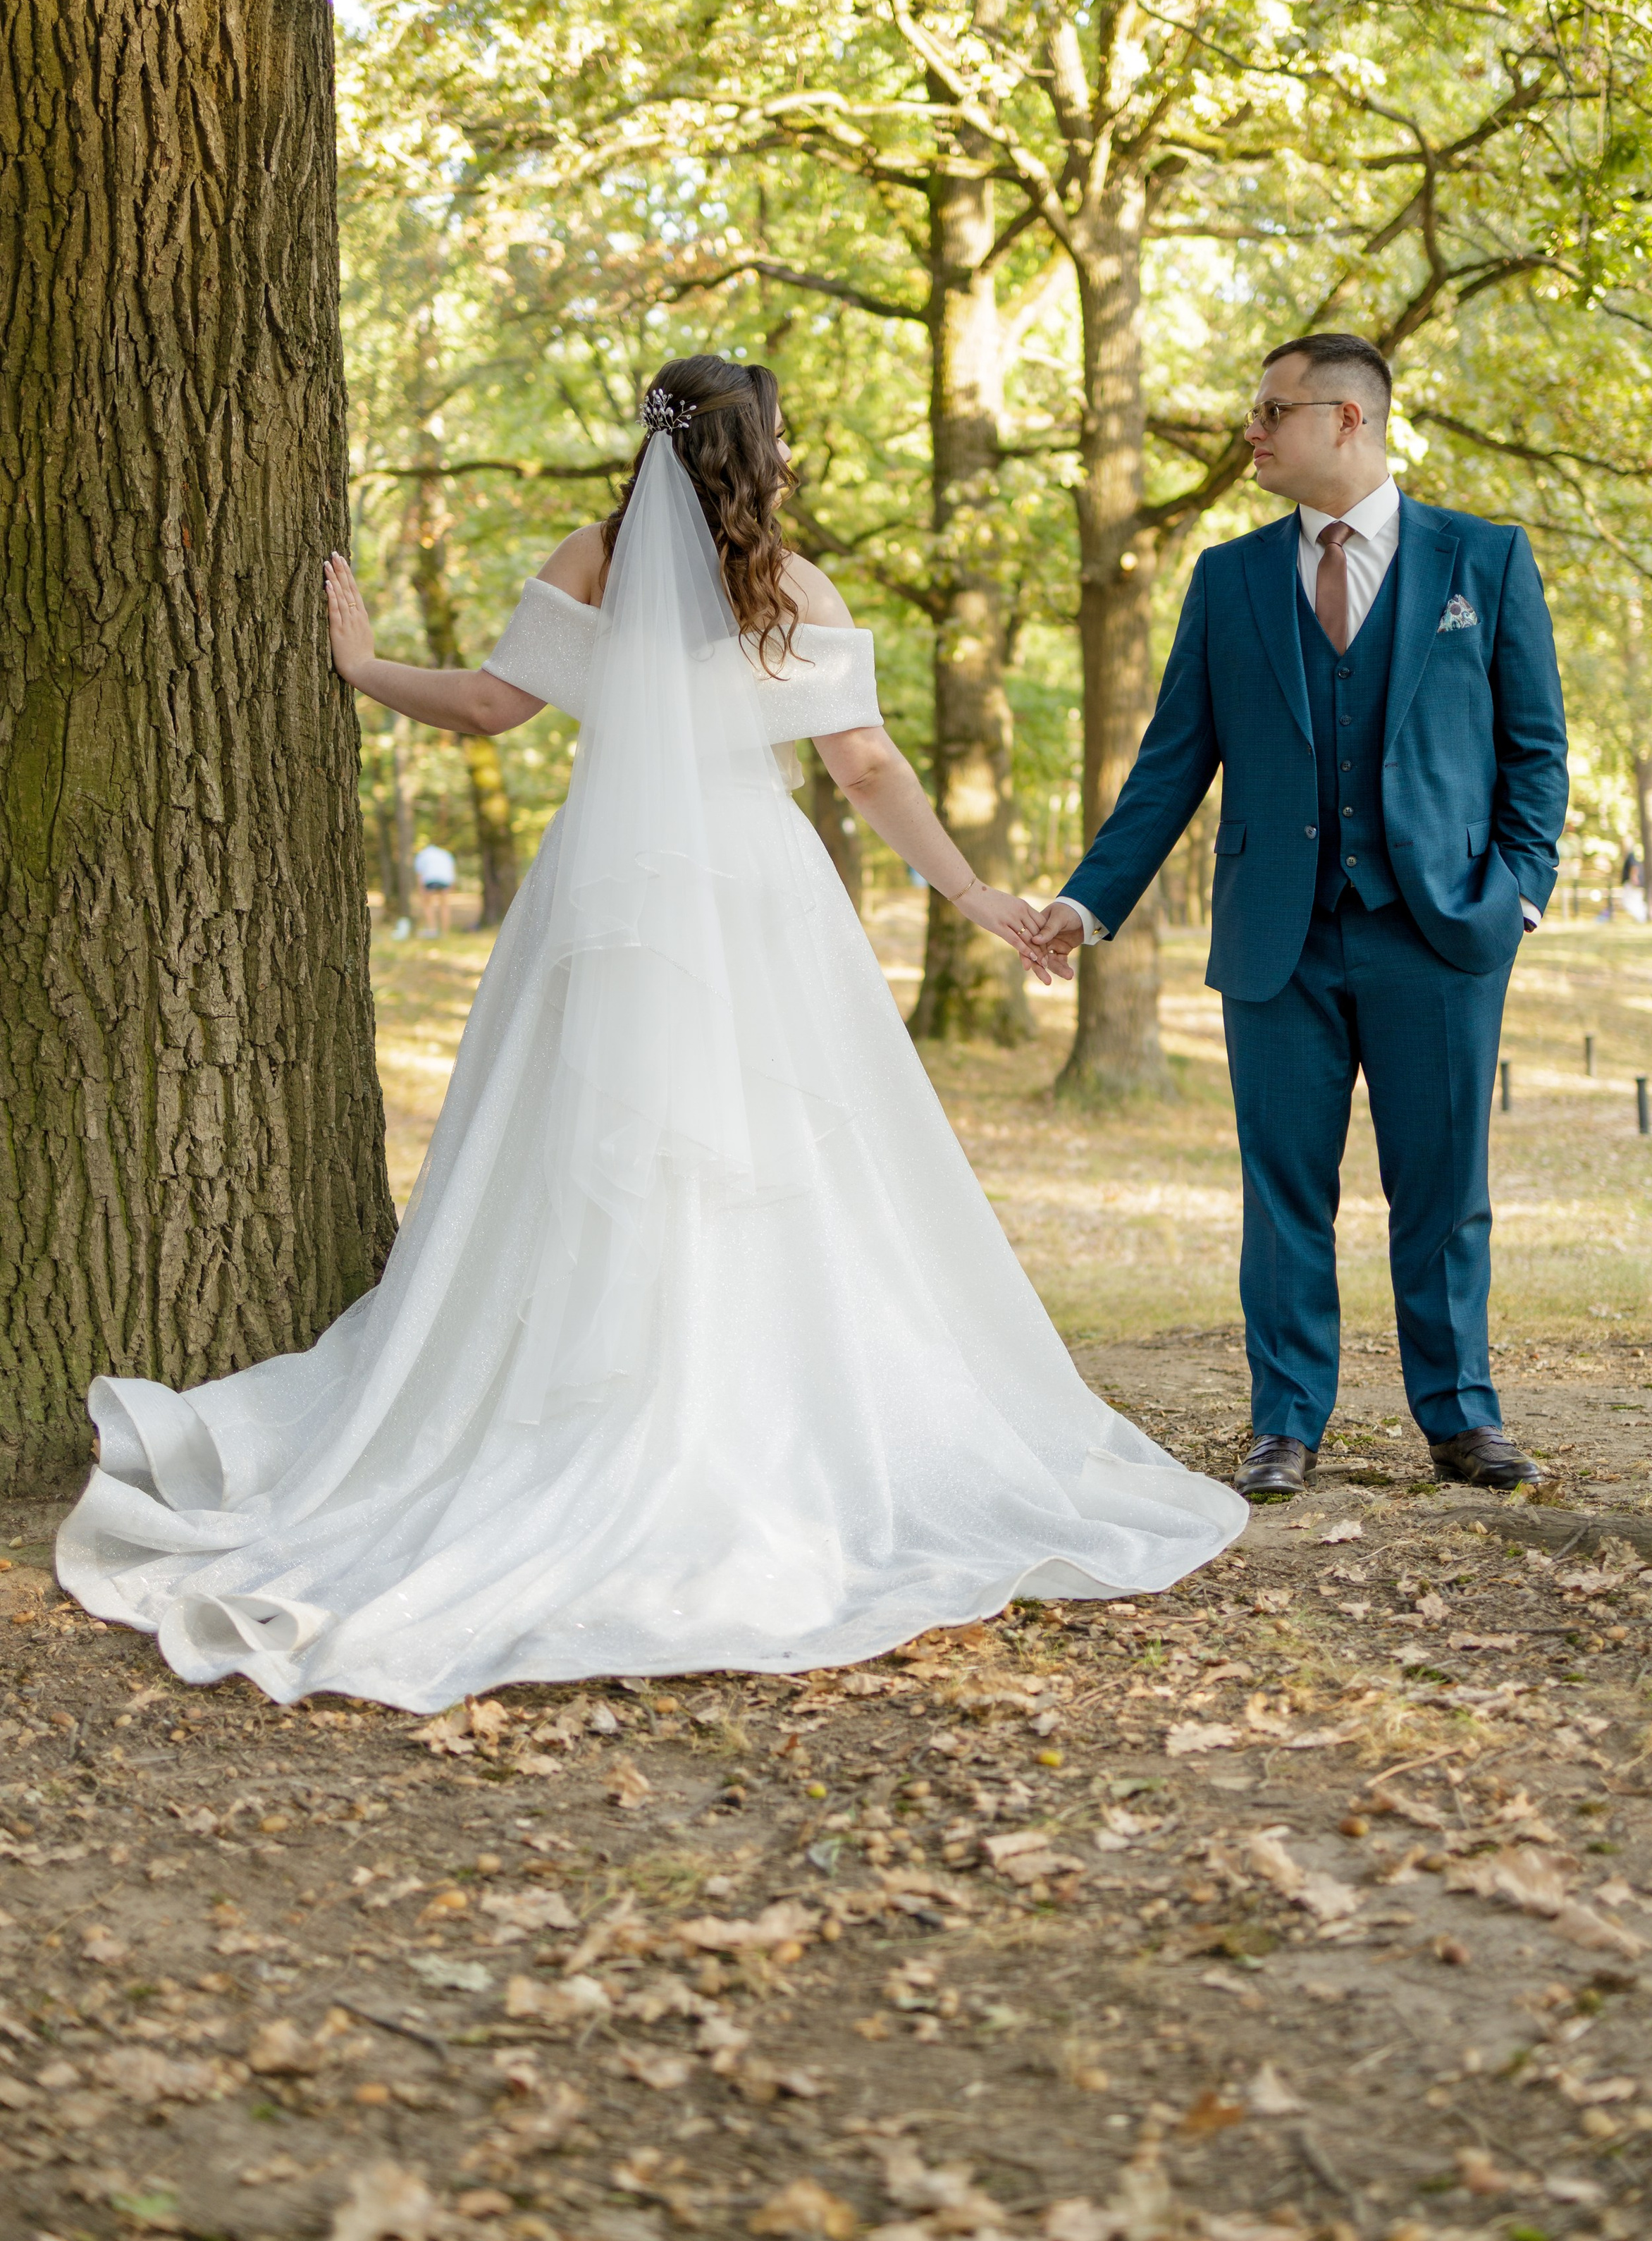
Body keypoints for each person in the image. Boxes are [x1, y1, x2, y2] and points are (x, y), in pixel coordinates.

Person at [57, 356, 1244, 1709]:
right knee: (771, 1147)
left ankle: (596, 1395)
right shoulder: (794, 588)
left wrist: (367, 665)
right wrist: (976, 896)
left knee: (590, 1139)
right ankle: (747, 1417)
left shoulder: (594, 557)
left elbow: (493, 706)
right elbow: (865, 766)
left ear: (656, 449)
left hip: (612, 893)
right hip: (751, 892)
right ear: (763, 456)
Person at [1031, 333, 1567, 1501]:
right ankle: (1286, 1422)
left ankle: (1463, 1419)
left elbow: (1537, 751)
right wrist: (1090, 898)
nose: (1252, 433)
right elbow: (1172, 766)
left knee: (1442, 1190)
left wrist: (1518, 889)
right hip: (1279, 936)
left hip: (1441, 932)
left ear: (1348, 421)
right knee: (1285, 1196)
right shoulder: (1228, 578)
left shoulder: (1486, 560)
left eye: (1272, 412)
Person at [412, 840, 456, 936]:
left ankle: (432, 929)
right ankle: (445, 932)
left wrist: (421, 888)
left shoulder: (422, 855)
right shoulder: (445, 854)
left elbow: (420, 873)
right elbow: (452, 869)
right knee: (444, 905)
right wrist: (452, 884)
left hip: (430, 879)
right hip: (445, 879)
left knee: (427, 904)